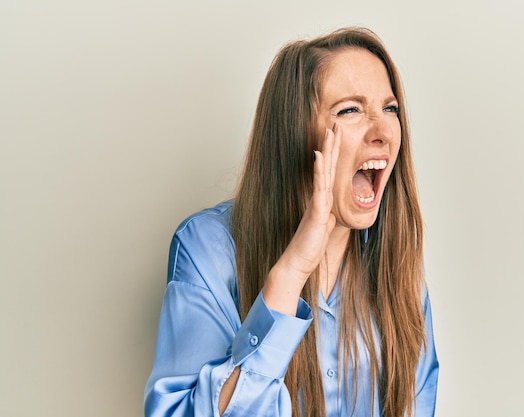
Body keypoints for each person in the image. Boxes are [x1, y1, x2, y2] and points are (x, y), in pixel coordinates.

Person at [144, 27, 438, 417]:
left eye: (390, 109)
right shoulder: (207, 248)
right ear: (296, 133)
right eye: (350, 110)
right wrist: (292, 271)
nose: (383, 131)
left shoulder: (394, 258)